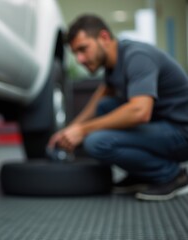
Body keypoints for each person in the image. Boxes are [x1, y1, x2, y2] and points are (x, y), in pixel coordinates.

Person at [48, 14, 188, 201]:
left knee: (96, 142)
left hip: (181, 133)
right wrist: (70, 129)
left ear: (104, 38)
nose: (80, 59)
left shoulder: (137, 56)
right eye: (75, 54)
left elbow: (140, 112)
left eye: (83, 49)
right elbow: (99, 100)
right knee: (105, 107)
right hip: (162, 127)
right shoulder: (112, 64)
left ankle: (172, 175)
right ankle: (143, 173)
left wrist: (83, 131)